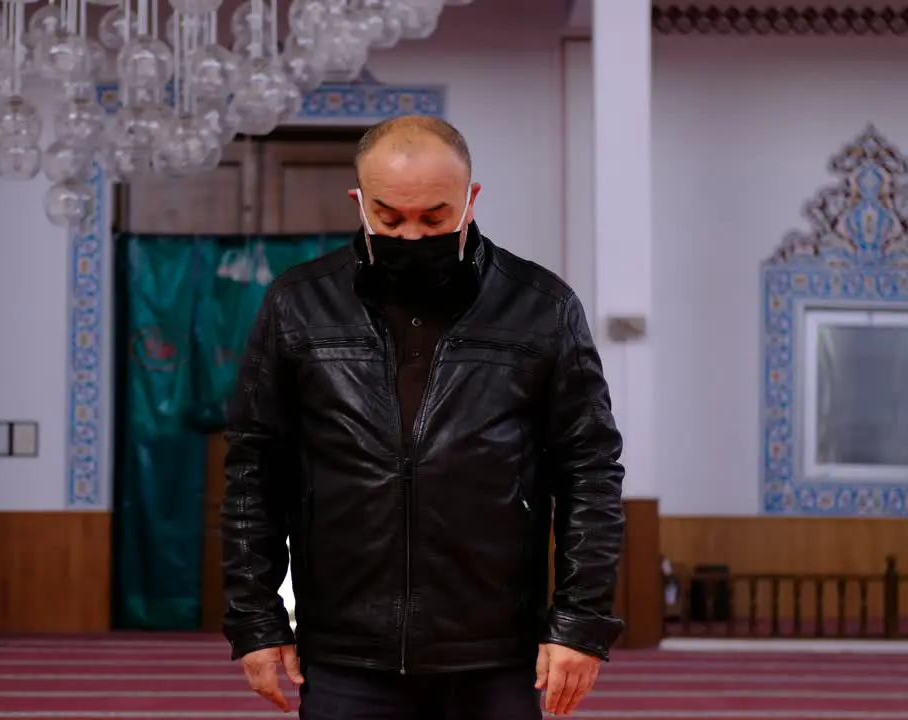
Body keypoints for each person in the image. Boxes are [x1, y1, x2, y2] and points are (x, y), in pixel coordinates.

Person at [221, 115, 625, 719]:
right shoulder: (296, 304)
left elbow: (590, 471)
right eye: (389, 217)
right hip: (345, 649)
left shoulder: (542, 307)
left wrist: (579, 623)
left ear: (470, 200)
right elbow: (254, 468)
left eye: (435, 218)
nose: (412, 236)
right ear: (359, 201)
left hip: (494, 652)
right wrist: (256, 619)